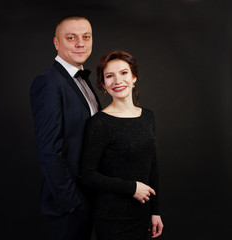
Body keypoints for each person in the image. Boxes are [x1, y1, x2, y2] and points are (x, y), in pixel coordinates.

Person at [30, 15, 101, 240]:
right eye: (71, 38)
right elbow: (49, 148)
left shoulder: (83, 81)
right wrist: (70, 201)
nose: (80, 43)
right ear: (56, 43)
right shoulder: (48, 82)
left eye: (86, 37)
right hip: (70, 202)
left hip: (91, 195)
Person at [80, 50, 164, 240]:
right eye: (110, 76)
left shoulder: (147, 117)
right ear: (103, 84)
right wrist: (131, 188)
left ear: (134, 77)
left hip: (142, 215)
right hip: (112, 218)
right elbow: (88, 175)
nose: (117, 81)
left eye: (124, 73)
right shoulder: (99, 123)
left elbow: (152, 167)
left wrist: (155, 211)